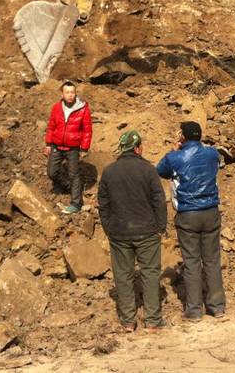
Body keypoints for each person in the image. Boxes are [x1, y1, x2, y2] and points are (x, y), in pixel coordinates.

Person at [98, 130, 167, 332]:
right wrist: (161, 226)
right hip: (147, 231)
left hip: (119, 232)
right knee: (150, 273)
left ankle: (128, 321)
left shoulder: (109, 172)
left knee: (123, 275)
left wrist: (108, 227)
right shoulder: (148, 169)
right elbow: (158, 200)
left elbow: (103, 203)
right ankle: (153, 321)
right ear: (137, 148)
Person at [157, 121, 225, 321]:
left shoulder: (174, 157)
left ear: (183, 136)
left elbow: (160, 170)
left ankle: (194, 310)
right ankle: (217, 307)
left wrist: (174, 148)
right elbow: (218, 161)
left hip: (187, 213)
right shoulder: (212, 153)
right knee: (212, 260)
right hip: (211, 211)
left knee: (192, 262)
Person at [44, 80, 92, 215]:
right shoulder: (56, 108)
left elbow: (87, 130)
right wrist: (48, 143)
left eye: (72, 92)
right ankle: (68, 187)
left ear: (75, 93)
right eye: (67, 92)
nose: (70, 95)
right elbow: (51, 126)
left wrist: (84, 148)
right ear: (62, 94)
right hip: (56, 145)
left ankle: (76, 203)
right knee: (52, 172)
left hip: (73, 147)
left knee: (74, 174)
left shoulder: (83, 108)